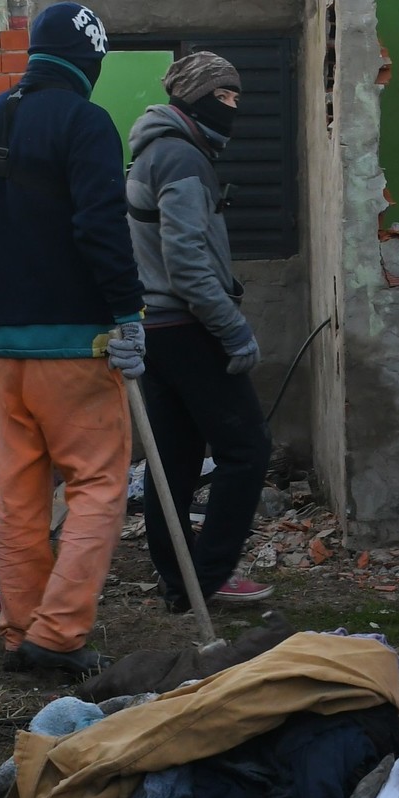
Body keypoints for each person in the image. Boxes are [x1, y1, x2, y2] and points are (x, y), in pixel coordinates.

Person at [0, 0, 144, 681]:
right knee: (98, 484)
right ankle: (60, 635)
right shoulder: (86, 123)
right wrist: (128, 314)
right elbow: (102, 227)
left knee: (17, 492)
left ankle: (21, 631)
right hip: (75, 342)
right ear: (89, 63)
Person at [126, 51, 273, 613]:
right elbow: (186, 263)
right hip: (187, 328)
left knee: (174, 466)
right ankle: (208, 576)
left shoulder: (156, 152)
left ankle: (181, 582)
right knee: (247, 449)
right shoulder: (183, 160)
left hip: (156, 330)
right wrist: (232, 330)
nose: (234, 107)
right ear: (195, 98)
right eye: (225, 96)